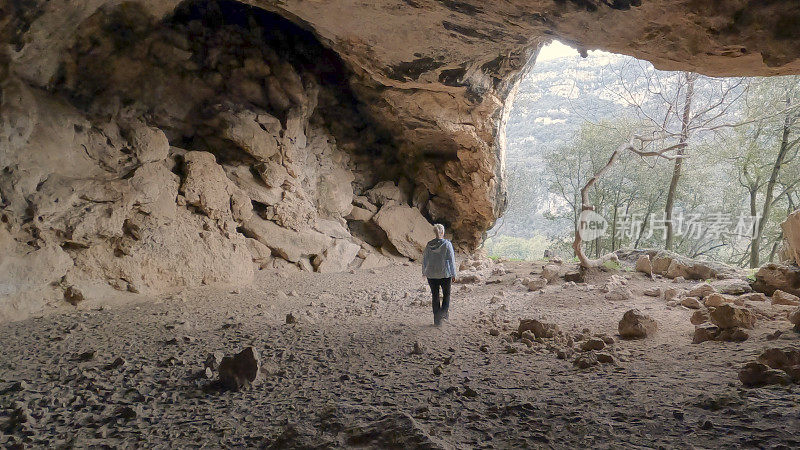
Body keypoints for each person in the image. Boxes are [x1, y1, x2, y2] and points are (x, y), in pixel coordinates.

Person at [422, 223, 457, 326]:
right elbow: (451, 260)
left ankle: (437, 321)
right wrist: (453, 273)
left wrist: (424, 272)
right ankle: (443, 313)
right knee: (446, 295)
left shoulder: (429, 244)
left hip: (431, 275)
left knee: (435, 296)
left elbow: (425, 259)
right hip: (444, 274)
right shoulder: (447, 244)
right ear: (442, 232)